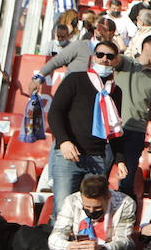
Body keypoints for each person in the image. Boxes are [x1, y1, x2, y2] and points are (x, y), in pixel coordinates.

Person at [47, 39, 123, 205]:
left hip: (97, 157)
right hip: (69, 155)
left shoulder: (115, 91)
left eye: (110, 56)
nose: (104, 59)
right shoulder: (75, 79)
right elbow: (55, 113)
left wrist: (120, 159)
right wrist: (64, 141)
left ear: (115, 61)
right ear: (93, 57)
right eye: (100, 54)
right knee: (63, 210)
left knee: (91, 210)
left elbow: (114, 128)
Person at [48, 173, 137, 250]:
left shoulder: (125, 203)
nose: (91, 211)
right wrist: (68, 246)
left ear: (108, 196)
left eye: (97, 207)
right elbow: (55, 236)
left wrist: (102, 249)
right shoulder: (72, 201)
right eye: (87, 207)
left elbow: (124, 241)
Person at [111, 33, 151, 198]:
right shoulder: (126, 63)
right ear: (146, 46)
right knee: (101, 174)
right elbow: (113, 58)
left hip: (136, 132)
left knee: (127, 180)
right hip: (112, 129)